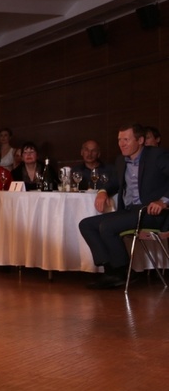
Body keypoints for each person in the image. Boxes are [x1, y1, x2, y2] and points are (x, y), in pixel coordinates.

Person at [79, 123, 169, 289]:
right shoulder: (121, 160)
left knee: (107, 226)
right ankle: (111, 271)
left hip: (151, 212)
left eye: (126, 139)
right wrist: (103, 191)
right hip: (129, 211)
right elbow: (114, 182)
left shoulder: (157, 155)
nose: (121, 144)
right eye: (119, 140)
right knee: (86, 224)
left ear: (140, 140)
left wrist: (163, 201)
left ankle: (124, 272)